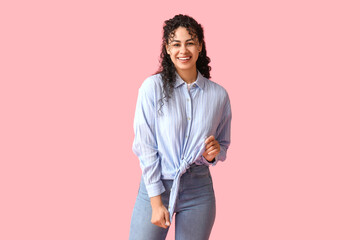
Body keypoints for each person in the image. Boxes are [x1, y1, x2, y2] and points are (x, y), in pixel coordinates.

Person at [129, 14, 232, 240]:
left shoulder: (218, 95)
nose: (183, 50)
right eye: (176, 44)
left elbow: (222, 145)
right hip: (157, 186)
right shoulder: (151, 89)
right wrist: (156, 202)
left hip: (199, 190)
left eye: (190, 42)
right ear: (167, 48)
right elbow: (145, 146)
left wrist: (212, 154)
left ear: (200, 46)